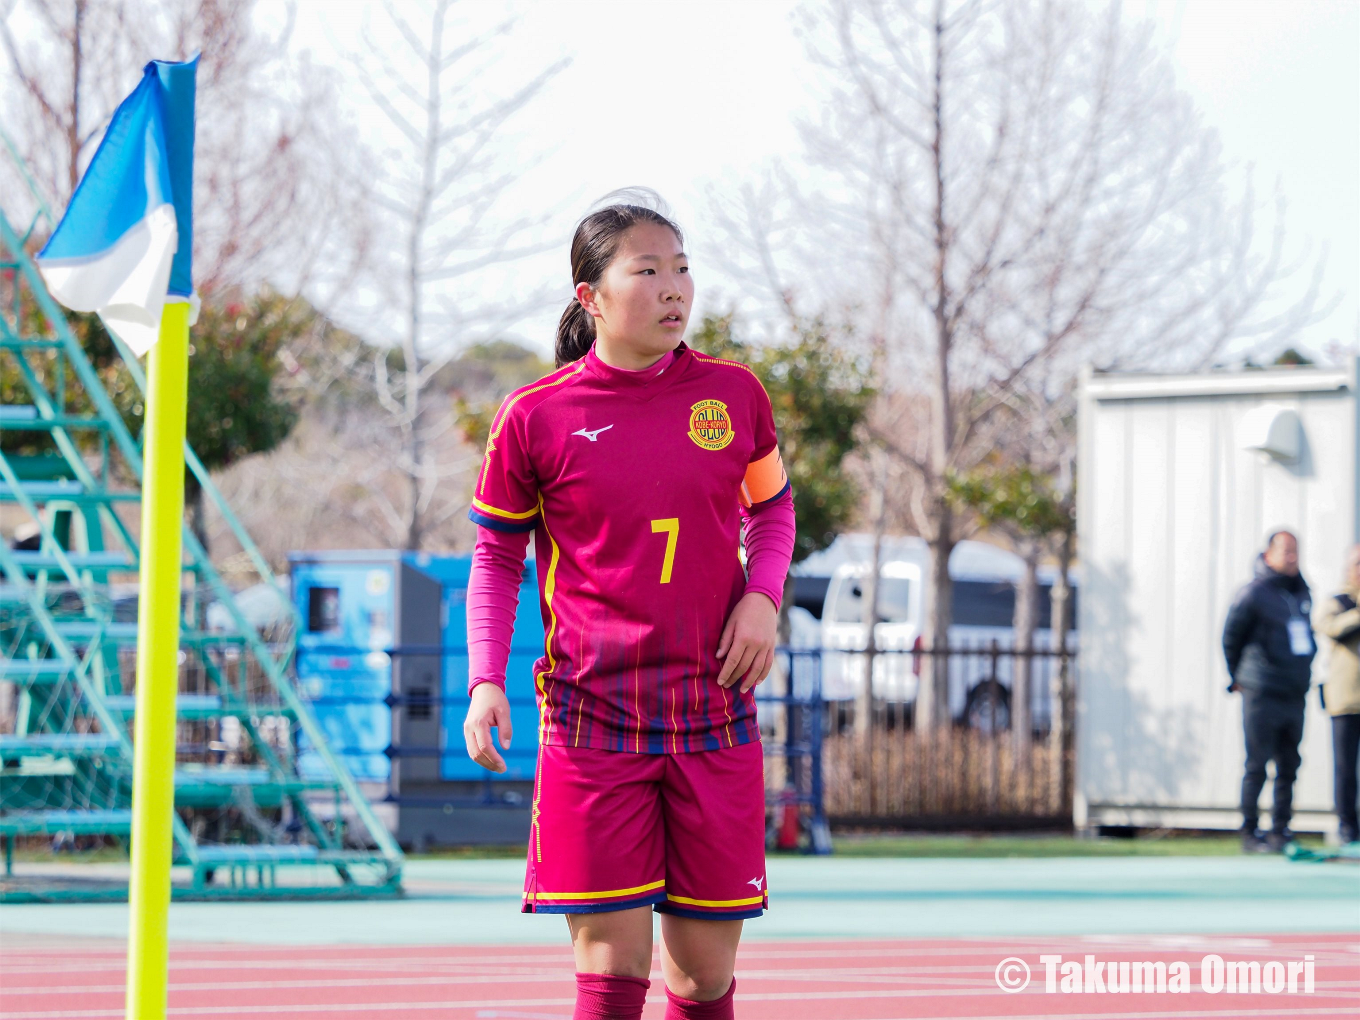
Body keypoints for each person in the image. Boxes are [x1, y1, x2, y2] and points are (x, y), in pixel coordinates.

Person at [461, 193, 795, 1020]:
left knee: (702, 977)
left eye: (681, 268)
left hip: (713, 709)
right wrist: (484, 679)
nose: (674, 288)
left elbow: (774, 510)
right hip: (590, 717)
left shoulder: (734, 395)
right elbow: (497, 554)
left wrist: (762, 597)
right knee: (613, 974)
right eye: (646, 271)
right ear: (591, 297)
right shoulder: (535, 417)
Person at [1222, 530, 1315, 853]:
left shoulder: (1302, 592)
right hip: (1261, 690)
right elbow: (1231, 637)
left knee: (1290, 763)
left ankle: (1280, 829)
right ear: (1268, 554)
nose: (1292, 557)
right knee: (1257, 762)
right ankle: (1250, 831)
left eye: (1295, 551)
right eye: (1286, 551)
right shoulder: (1253, 593)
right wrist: (1238, 676)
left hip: (1294, 691)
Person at [1315, 544, 1360, 846]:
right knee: (1345, 769)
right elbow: (1328, 627)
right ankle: (1347, 826)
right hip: (1345, 701)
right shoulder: (1338, 602)